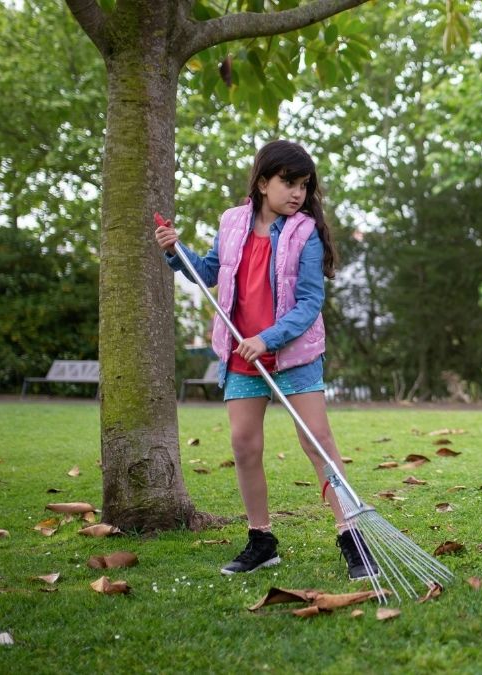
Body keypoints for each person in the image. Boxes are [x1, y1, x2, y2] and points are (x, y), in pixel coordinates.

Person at [155, 140, 378, 578]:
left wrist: (268, 338)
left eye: (303, 185)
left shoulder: (306, 232)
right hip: (241, 355)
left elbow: (310, 301)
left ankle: (352, 535)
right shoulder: (232, 222)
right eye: (287, 183)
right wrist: (174, 252)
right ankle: (261, 539)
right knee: (244, 445)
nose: (297, 193)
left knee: (319, 446)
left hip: (293, 355)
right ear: (262, 183)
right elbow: (210, 273)